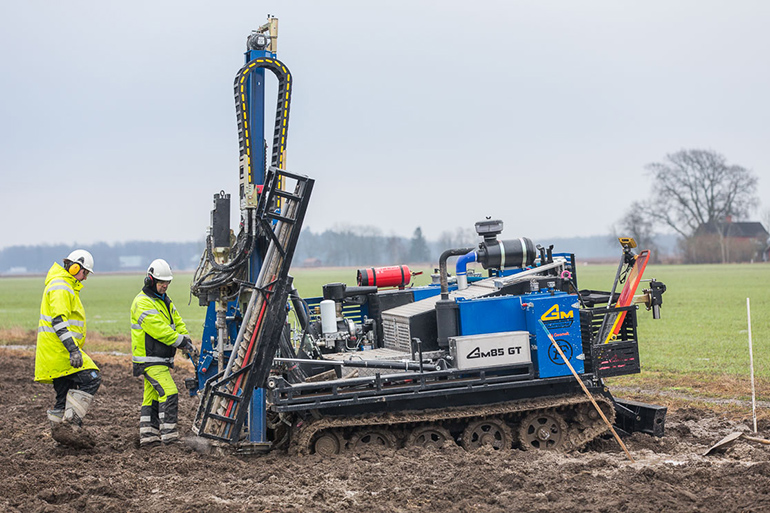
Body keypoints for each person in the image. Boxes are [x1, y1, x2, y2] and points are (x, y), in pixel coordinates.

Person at [35, 249, 102, 443]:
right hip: (61, 352)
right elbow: (59, 321)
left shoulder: (62, 284)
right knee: (92, 378)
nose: (85, 278)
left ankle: (61, 441)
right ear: (74, 267)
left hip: (54, 353)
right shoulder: (61, 286)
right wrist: (73, 349)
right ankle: (70, 427)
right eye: (85, 273)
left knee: (63, 395)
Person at [130, 258, 196, 447]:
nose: (165, 286)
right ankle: (170, 438)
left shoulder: (165, 301)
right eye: (161, 282)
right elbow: (159, 330)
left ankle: (149, 439)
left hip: (159, 358)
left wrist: (187, 340)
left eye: (167, 282)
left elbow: (177, 322)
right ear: (150, 280)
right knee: (169, 392)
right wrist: (181, 342)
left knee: (151, 397)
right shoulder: (142, 303)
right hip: (150, 359)